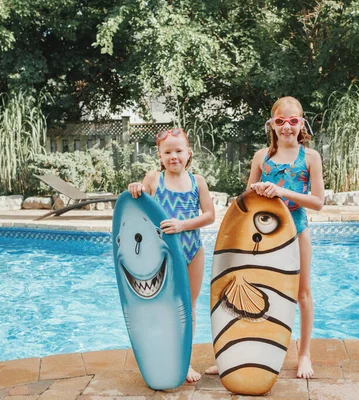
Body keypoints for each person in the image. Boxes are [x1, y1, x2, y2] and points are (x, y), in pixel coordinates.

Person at [206, 96, 324, 379]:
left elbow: (318, 201)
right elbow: (247, 200)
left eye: (293, 121)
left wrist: (281, 191)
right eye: (280, 121)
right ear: (272, 124)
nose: (287, 127)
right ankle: (234, 356)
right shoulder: (262, 157)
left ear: (301, 124)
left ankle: (304, 355)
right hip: (261, 238)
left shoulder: (310, 157)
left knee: (302, 294)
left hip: (296, 231)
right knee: (251, 292)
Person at [128, 127, 215, 383]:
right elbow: (137, 202)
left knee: (188, 308)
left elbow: (209, 216)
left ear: (189, 153)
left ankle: (183, 362)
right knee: (164, 307)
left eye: (179, 151)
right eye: (168, 152)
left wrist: (182, 225)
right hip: (162, 256)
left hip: (192, 251)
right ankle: (163, 356)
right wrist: (135, 187)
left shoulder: (198, 181)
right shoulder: (154, 179)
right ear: (159, 155)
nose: (173, 156)